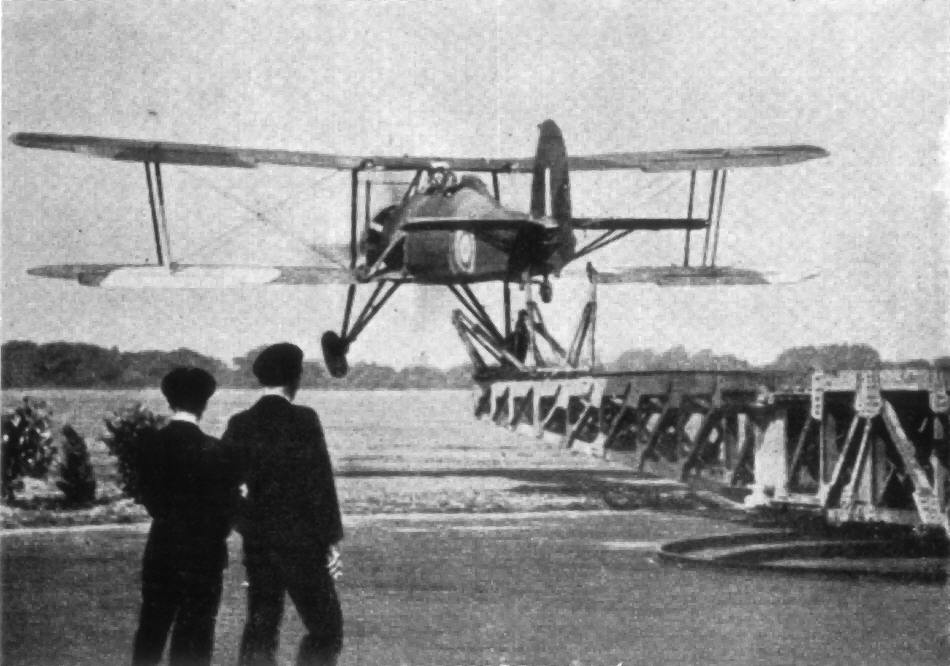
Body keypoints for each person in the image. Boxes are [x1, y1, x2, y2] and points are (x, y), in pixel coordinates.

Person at [222, 342, 344, 666]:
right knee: (327, 629)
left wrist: (248, 523)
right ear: (296, 378)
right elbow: (321, 485)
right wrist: (330, 540)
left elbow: (221, 486)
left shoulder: (239, 424)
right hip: (303, 544)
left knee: (261, 630)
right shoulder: (305, 419)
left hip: (259, 545)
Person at [132, 367, 239, 666]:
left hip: (162, 549)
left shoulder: (149, 444)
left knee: (151, 629)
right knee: (196, 635)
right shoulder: (218, 450)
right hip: (205, 554)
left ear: (169, 401)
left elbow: (150, 499)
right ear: (204, 403)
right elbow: (229, 509)